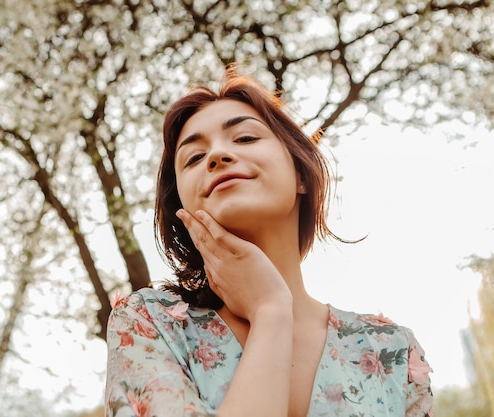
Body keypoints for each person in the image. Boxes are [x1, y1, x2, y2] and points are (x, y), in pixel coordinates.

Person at [104, 69, 434, 417]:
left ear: (301, 176)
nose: (217, 155)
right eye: (194, 158)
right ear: (182, 205)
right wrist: (270, 310)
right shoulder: (148, 324)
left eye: (245, 138)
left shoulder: (392, 351)